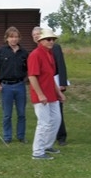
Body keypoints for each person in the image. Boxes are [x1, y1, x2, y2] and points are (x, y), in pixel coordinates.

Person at [27, 28, 65, 160]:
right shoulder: (35, 54)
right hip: (41, 95)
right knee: (44, 123)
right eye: (48, 39)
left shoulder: (50, 54)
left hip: (51, 94)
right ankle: (37, 152)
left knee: (56, 119)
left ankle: (47, 145)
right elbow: (32, 76)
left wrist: (58, 92)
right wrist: (40, 94)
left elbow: (50, 77)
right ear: (41, 41)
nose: (51, 41)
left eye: (53, 39)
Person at [0, 26, 29, 144]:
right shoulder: (0, 51)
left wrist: (26, 80)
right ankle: (7, 137)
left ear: (19, 38)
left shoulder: (24, 53)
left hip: (20, 86)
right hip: (6, 86)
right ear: (7, 38)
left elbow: (29, 69)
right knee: (7, 114)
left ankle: (21, 136)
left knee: (21, 113)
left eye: (16, 37)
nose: (14, 39)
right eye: (11, 37)